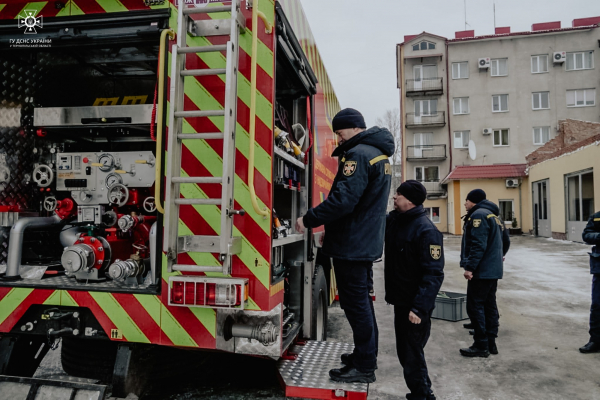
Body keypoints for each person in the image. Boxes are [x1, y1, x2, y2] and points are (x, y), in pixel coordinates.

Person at [296, 108, 394, 383]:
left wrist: (309, 219)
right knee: (362, 304)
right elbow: (358, 205)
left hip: (353, 246)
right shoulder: (378, 154)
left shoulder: (359, 155)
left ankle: (364, 366)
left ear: (353, 128)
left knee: (356, 306)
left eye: (339, 133)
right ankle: (365, 355)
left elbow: (343, 202)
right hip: (361, 243)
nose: (338, 139)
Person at [385, 181, 444, 400]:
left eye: (398, 195)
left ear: (409, 200)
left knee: (411, 354)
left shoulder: (427, 230)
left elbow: (434, 274)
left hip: (414, 307)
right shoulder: (397, 221)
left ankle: (423, 395)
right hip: (401, 302)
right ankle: (422, 391)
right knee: (408, 353)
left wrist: (419, 308)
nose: (394, 198)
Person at [459, 189, 510, 357]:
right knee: (489, 305)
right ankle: (491, 342)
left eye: (466, 201)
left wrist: (470, 267)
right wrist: (498, 256)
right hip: (492, 269)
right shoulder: (494, 216)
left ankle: (481, 345)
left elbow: (477, 244)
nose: (465, 204)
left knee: (475, 306)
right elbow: (506, 241)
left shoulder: (478, 216)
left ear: (473, 201)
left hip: (481, 270)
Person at [580, 210, 600, 353]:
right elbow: (586, 235)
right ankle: (595, 341)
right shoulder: (597, 217)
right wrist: (599, 236)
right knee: (597, 305)